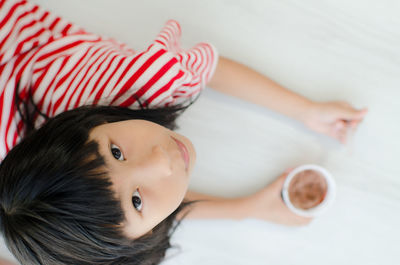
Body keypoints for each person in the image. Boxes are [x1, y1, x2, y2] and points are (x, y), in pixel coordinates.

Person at [0, 0, 368, 264]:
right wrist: (249, 208)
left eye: (116, 152)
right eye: (137, 201)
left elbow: (208, 71)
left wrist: (306, 109)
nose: (161, 161)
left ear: (90, 123)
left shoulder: (132, 83)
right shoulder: (57, 210)